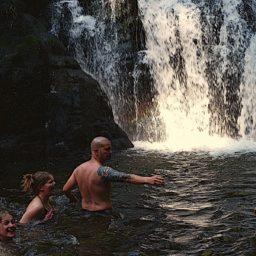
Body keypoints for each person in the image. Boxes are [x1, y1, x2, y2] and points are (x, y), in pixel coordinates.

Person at [63, 136, 165, 212]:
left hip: (85, 213)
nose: (110, 152)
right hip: (103, 214)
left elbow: (65, 189)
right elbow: (126, 178)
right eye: (107, 149)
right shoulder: (103, 171)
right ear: (95, 151)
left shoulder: (78, 169)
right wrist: (148, 179)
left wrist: (73, 200)